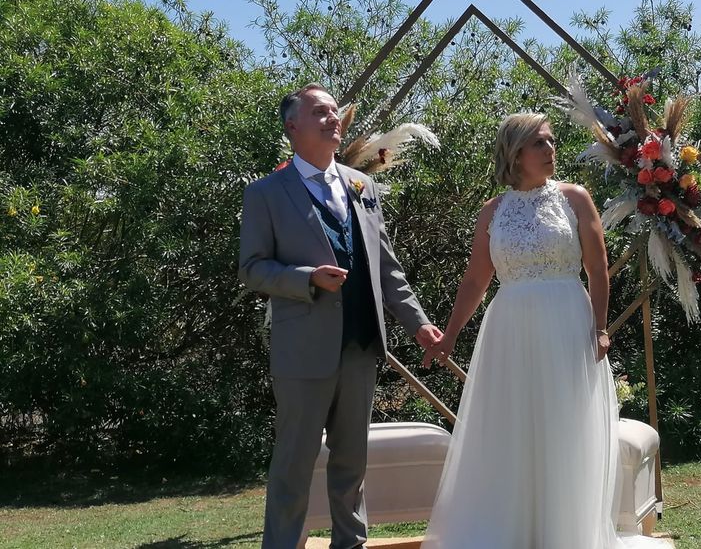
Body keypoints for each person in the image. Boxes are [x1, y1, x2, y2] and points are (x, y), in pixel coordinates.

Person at [420, 113, 670, 548]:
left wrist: (600, 327)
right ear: (516, 153)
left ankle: (566, 536)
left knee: (564, 430)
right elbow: (476, 280)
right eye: (540, 143)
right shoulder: (492, 212)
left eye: (552, 141)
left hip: (565, 324)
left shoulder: (574, 198)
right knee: (509, 430)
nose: (551, 150)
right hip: (509, 328)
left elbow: (597, 269)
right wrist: (451, 334)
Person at [238, 83, 443, 549]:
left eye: (334, 111)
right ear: (293, 127)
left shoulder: (362, 184)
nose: (334, 118)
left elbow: (386, 266)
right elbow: (251, 269)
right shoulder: (266, 193)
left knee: (352, 464)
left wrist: (418, 323)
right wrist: (307, 278)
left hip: (361, 347)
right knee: (294, 464)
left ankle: (350, 544)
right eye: (320, 112)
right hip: (303, 351)